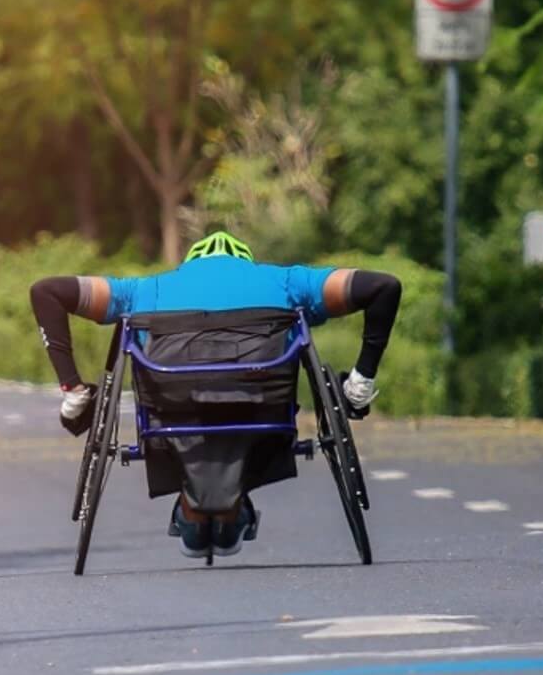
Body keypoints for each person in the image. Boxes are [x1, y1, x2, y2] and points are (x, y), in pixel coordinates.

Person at [28, 231, 402, 557]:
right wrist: (359, 384)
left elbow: (46, 291)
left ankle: (198, 507)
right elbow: (383, 286)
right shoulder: (289, 282)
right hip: (262, 407)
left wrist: (74, 391)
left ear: (189, 265)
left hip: (174, 408)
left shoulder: (145, 290)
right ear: (247, 263)